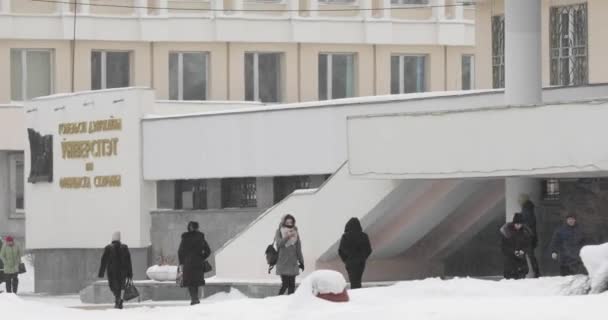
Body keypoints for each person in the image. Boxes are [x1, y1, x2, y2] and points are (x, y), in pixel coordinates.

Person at [178, 221, 211, 305]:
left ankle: (194, 299)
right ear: (197, 227)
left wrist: (182, 262)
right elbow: (208, 251)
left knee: (190, 281)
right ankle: (195, 299)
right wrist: (202, 257)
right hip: (198, 262)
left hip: (188, 263)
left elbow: (180, 251)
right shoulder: (200, 237)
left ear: (189, 227)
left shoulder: (185, 237)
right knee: (195, 281)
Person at [98, 232, 133, 309]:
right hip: (123, 272)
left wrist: (101, 273)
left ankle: (118, 300)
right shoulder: (124, 247)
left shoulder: (108, 248)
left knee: (113, 286)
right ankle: (118, 300)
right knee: (120, 287)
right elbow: (128, 261)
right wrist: (130, 273)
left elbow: (104, 260)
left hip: (112, 272)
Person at [338, 217, 372, 289]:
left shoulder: (345, 236)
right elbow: (369, 250)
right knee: (358, 279)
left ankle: (355, 295)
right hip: (360, 262)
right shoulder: (364, 236)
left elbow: (340, 250)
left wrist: (346, 260)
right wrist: (363, 258)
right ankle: (358, 293)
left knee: (353, 280)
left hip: (350, 262)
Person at [275, 214, 304, 295]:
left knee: (292, 285)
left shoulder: (295, 231)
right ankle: (277, 301)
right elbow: (279, 244)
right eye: (287, 222)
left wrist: (301, 261)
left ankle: (290, 302)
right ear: (284, 222)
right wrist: (287, 236)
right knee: (285, 284)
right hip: (283, 261)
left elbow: (298, 248)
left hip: (293, 262)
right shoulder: (279, 231)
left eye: (291, 222)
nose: (289, 224)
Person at [500, 213, 533, 280]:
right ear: (514, 223)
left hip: (521, 261)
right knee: (510, 281)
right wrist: (513, 252)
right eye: (517, 224)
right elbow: (503, 247)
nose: (518, 226)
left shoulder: (525, 232)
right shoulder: (507, 232)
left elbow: (528, 245)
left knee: (521, 280)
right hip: (510, 262)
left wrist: (523, 251)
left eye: (520, 224)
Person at [519, 194, 541, 277]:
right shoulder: (528, 208)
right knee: (529, 255)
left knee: (527, 255)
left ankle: (528, 272)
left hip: (527, 237)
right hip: (529, 236)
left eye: (520, 199)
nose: (518, 200)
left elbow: (528, 223)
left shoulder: (526, 209)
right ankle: (534, 272)